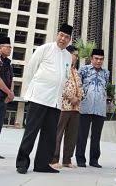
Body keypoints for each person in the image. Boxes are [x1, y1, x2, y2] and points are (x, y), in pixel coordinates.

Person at [15, 24, 73, 174]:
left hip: (55, 101)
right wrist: (29, 91)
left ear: (69, 40)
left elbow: (65, 76)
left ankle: (42, 164)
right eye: (61, 35)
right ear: (57, 34)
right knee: (31, 131)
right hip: (39, 97)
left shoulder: (68, 56)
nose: (63, 39)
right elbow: (31, 69)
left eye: (66, 37)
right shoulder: (45, 49)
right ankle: (22, 163)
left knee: (49, 134)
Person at [76, 49, 110, 168]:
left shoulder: (106, 73)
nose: (98, 61)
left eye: (101, 59)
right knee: (82, 135)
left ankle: (94, 160)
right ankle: (80, 159)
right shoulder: (83, 70)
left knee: (97, 136)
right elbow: (79, 87)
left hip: (100, 109)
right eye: (96, 58)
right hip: (85, 107)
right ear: (91, 58)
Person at [50, 45, 83, 169]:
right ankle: (53, 159)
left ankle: (67, 159)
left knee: (72, 135)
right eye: (74, 54)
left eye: (77, 56)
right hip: (63, 106)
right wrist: (70, 98)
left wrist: (79, 99)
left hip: (76, 108)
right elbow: (60, 85)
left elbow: (80, 87)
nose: (76, 57)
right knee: (58, 133)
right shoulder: (61, 68)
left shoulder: (75, 71)